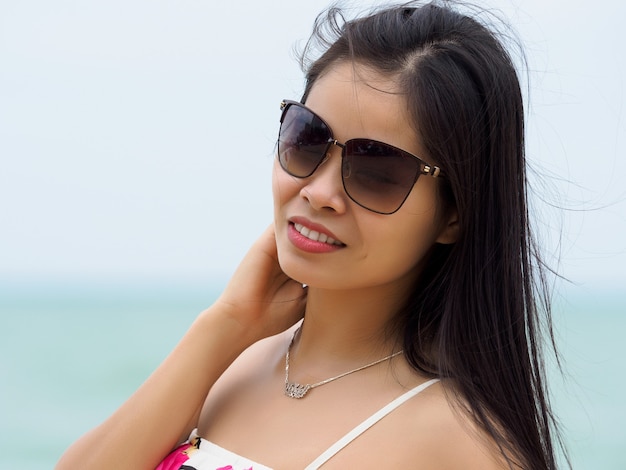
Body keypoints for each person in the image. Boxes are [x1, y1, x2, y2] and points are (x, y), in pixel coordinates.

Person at [56, 1, 566, 469]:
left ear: (453, 215)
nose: (319, 191)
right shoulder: (235, 362)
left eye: (378, 170)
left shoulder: (461, 442)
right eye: (308, 138)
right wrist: (224, 326)